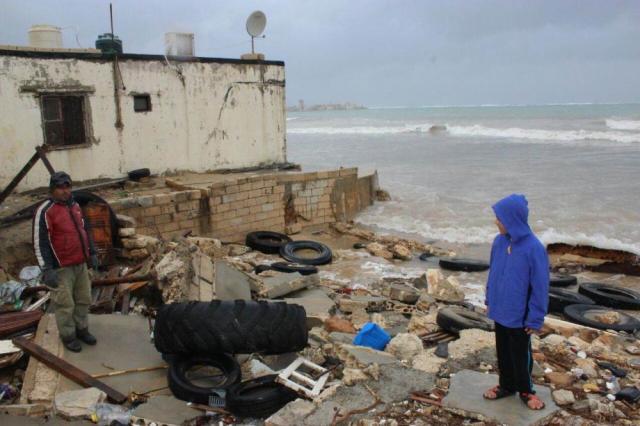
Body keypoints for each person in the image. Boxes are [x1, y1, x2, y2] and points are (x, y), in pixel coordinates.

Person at [483, 194, 549, 410]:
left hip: (520, 316)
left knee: (521, 355)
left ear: (512, 220)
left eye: (499, 218)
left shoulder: (534, 248)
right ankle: (506, 385)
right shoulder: (499, 241)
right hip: (500, 309)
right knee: (502, 351)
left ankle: (526, 390)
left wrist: (535, 317)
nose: (496, 222)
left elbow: (540, 287)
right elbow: (494, 273)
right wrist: (489, 299)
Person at [33, 172, 100, 352]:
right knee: (65, 304)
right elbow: (40, 243)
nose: (65, 191)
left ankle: (82, 329)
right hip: (61, 267)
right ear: (52, 189)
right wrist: (47, 269)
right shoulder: (45, 211)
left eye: (67, 187)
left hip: (80, 264)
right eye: (60, 187)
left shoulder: (75, 206)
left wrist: (92, 253)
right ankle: (68, 336)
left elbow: (85, 231)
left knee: (84, 299)